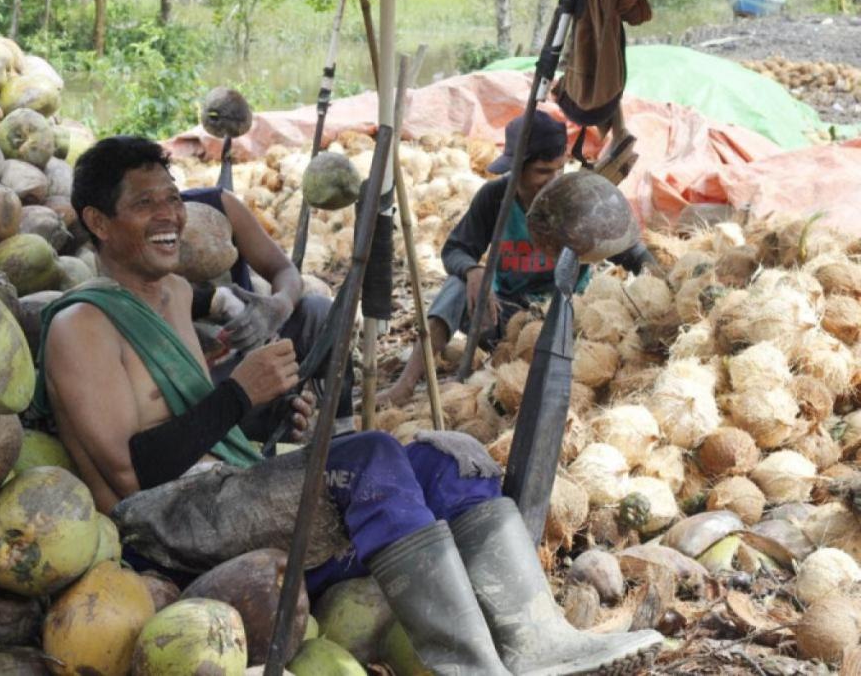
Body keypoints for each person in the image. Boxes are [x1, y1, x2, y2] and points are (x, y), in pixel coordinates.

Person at [33, 135, 661, 674]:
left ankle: (537, 642)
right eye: (145, 203)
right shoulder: (81, 326)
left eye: (172, 198)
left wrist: (268, 413)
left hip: (217, 488)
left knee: (453, 458)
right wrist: (238, 393)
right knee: (369, 457)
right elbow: (133, 473)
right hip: (159, 525)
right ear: (97, 220)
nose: (169, 215)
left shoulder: (171, 292)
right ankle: (469, 665)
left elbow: (198, 423)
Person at [379, 111, 586, 407]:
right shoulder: (495, 197)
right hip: (504, 315)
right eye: (542, 171)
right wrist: (473, 270)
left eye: (559, 170)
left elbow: (626, 246)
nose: (553, 180)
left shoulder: (575, 199)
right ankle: (406, 384)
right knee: (455, 285)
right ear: (516, 170)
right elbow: (455, 249)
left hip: (562, 320)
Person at [178, 186, 355, 439]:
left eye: (169, 195)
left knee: (320, 312)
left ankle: (342, 433)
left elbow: (284, 270)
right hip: (198, 378)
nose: (165, 208)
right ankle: (268, 432)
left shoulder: (218, 204)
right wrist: (216, 301)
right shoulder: (119, 247)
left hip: (253, 346)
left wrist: (279, 304)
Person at [554, 0, 653, 180]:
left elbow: (635, 14)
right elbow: (635, 14)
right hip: (596, 80)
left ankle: (618, 137)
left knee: (595, 87)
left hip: (596, 80)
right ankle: (618, 136)